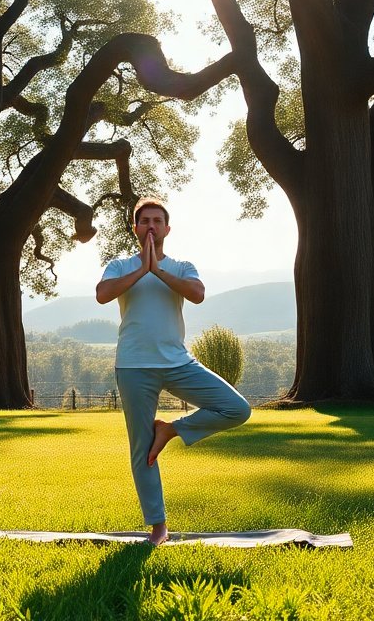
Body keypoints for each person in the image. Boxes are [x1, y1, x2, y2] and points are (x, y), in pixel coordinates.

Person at [95, 198, 251, 545]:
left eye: (157, 220)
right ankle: (158, 527)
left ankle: (170, 430)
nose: (151, 226)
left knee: (237, 408)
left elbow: (197, 294)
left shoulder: (182, 266)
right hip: (133, 367)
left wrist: (158, 271)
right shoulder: (119, 265)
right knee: (141, 449)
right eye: (144, 221)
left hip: (178, 363)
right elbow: (102, 295)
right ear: (135, 228)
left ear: (167, 228)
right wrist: (142, 270)